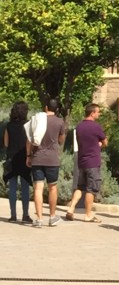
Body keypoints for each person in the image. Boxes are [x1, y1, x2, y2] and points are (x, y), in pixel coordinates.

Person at [26, 98, 67, 228]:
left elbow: (29, 140)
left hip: (37, 158)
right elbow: (61, 140)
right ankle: (52, 217)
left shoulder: (37, 120)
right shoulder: (60, 122)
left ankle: (39, 219)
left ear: (46, 107)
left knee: (38, 188)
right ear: (57, 109)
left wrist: (28, 156)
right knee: (52, 188)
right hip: (52, 159)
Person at [65, 102, 107, 223]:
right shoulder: (96, 127)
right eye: (98, 112)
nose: (99, 114)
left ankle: (71, 208)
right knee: (91, 189)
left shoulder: (79, 127)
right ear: (92, 113)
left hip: (82, 161)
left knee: (80, 187)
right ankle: (88, 214)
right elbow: (105, 141)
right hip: (93, 161)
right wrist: (99, 144)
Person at [2, 101, 33, 223]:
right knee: (25, 188)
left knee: (12, 188)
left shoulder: (8, 126)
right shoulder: (28, 125)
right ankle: (25, 215)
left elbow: (6, 143)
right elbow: (30, 142)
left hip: (11, 159)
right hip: (24, 158)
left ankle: (13, 215)